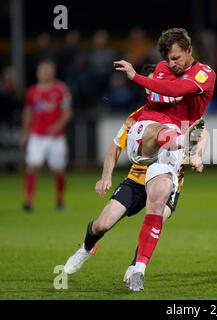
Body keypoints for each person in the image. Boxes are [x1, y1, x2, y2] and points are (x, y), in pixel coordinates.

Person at [63, 64, 207, 287]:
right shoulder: (137, 117)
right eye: (150, 86)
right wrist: (105, 177)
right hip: (136, 180)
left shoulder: (184, 110)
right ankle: (86, 249)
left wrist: (197, 155)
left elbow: (201, 130)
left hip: (169, 181)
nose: (154, 90)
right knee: (102, 224)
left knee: (157, 216)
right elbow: (114, 149)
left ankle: (136, 267)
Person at [113, 27, 216, 291]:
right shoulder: (162, 67)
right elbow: (162, 90)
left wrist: (135, 76)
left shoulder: (204, 73)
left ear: (189, 50)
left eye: (178, 58)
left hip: (177, 142)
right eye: (169, 59)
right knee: (111, 219)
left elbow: (175, 89)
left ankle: (138, 269)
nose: (173, 64)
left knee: (158, 206)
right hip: (158, 133)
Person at [20, 60, 72, 212]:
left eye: (48, 70)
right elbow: (28, 113)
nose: (45, 73)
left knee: (59, 170)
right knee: (32, 167)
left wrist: (57, 126)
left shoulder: (61, 90)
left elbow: (67, 112)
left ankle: (60, 199)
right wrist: (25, 133)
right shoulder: (32, 92)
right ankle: (28, 200)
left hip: (56, 137)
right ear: (37, 73)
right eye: (43, 70)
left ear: (53, 73)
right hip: (37, 136)